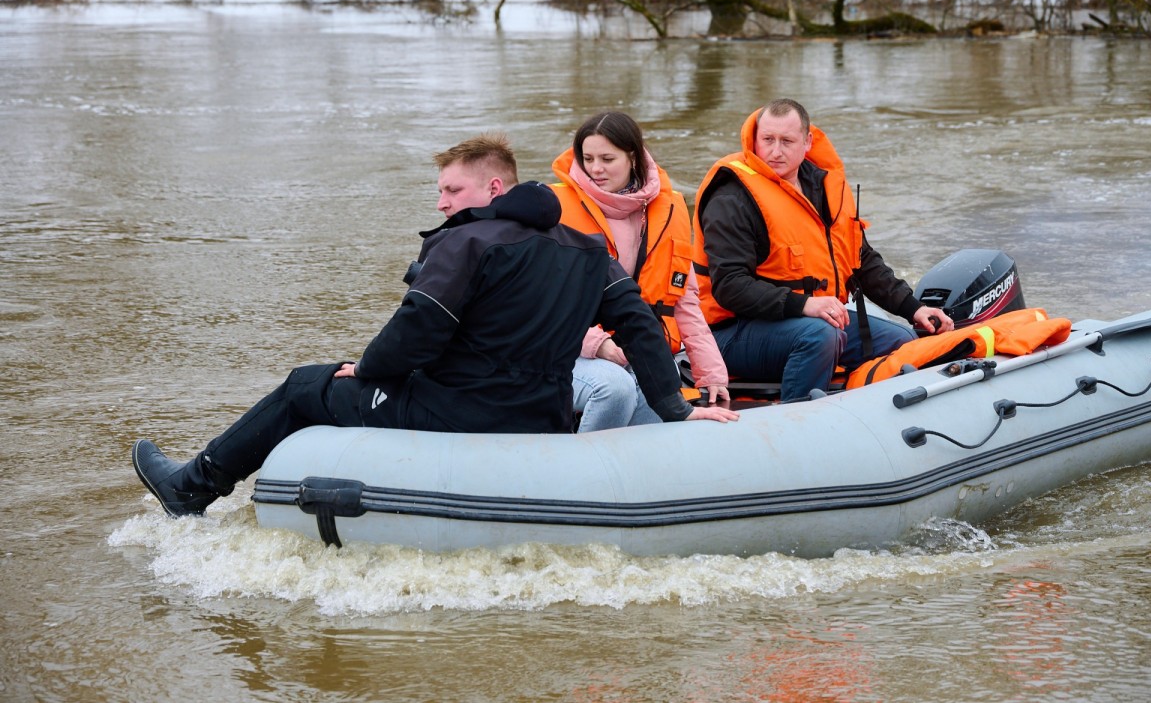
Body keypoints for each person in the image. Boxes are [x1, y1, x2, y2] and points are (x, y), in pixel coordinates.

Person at [134, 134, 738, 518]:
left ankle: (192, 486)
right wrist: (675, 407)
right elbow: (637, 325)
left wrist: (366, 370)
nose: (443, 203)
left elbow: (420, 328)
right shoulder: (588, 251)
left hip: (456, 410)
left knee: (302, 386)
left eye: (452, 189)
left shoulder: (468, 243)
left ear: (494, 188)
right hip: (543, 418)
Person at [692, 99, 953, 401]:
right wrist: (805, 306)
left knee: (901, 340)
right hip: (731, 333)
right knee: (820, 336)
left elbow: (861, 260)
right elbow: (730, 287)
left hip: (810, 321)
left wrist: (913, 308)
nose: (775, 152)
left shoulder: (825, 188)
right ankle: (797, 421)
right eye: (767, 140)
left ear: (807, 142)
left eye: (787, 141)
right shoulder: (732, 197)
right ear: (755, 140)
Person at [550, 111, 730, 431]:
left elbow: (684, 301)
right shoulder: (556, 209)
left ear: (632, 156)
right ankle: (585, 464)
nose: (595, 168)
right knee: (616, 388)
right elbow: (541, 302)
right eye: (587, 158)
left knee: (663, 384)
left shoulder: (669, 208)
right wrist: (596, 344)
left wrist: (712, 374)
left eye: (607, 158)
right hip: (573, 346)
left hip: (644, 345)